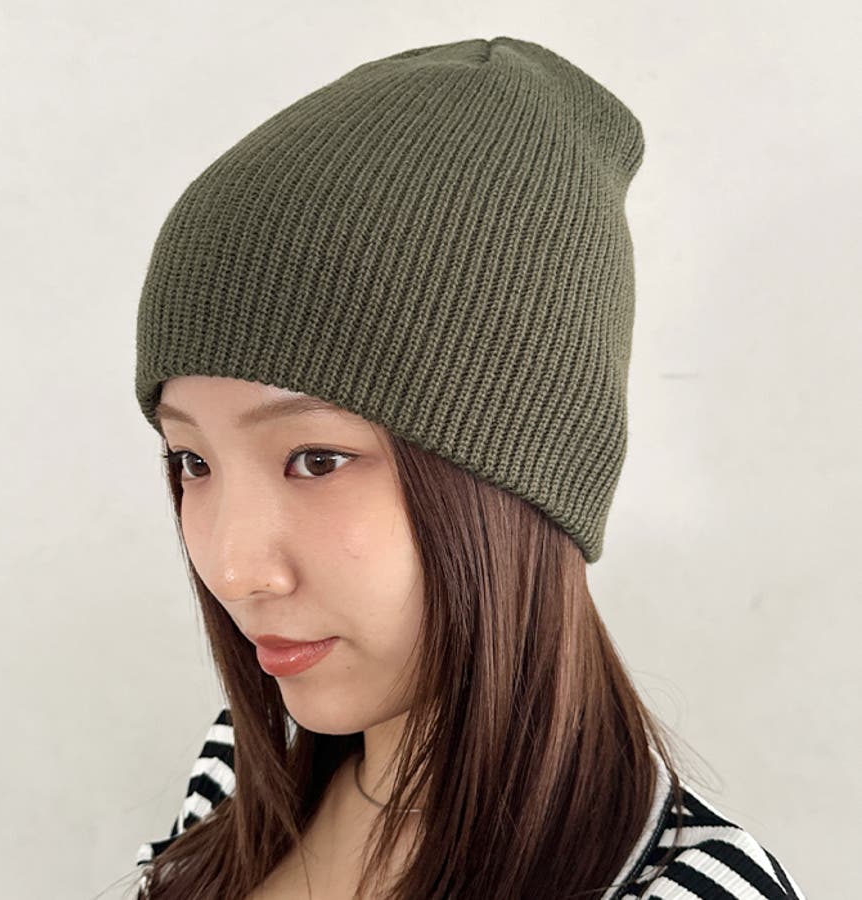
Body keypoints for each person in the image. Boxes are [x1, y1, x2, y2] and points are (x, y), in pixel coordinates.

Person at [129, 36, 806, 900]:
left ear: (520, 480)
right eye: (192, 460)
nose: (232, 568)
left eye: (316, 459)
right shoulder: (245, 768)